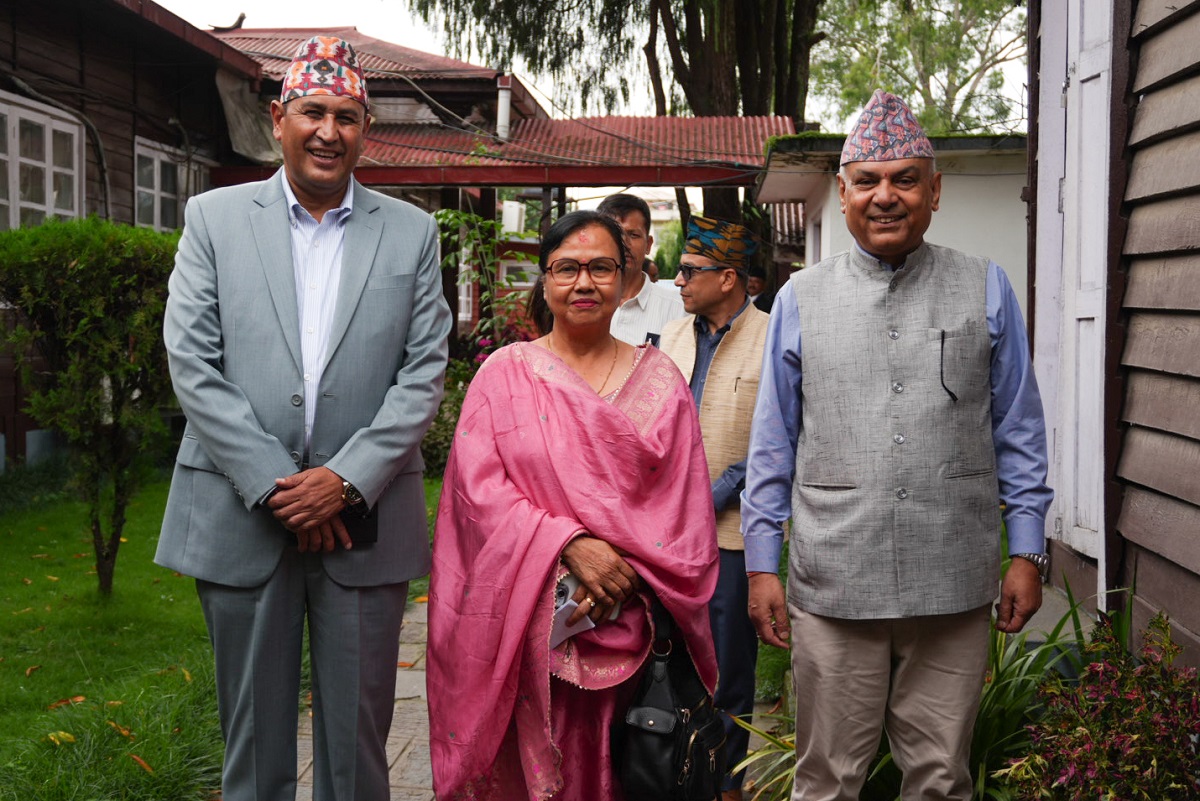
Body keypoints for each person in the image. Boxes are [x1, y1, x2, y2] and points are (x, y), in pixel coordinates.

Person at [156, 35, 452, 801]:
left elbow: (424, 370)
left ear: (365, 130)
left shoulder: (412, 232)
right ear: (278, 119)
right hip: (242, 513)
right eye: (313, 112)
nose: (329, 131)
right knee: (253, 746)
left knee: (357, 751)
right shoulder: (214, 218)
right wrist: (280, 485)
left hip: (365, 520)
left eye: (347, 117)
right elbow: (192, 361)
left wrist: (343, 482)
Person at [741, 89, 1054, 801]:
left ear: (934, 192)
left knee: (941, 777)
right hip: (835, 578)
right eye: (867, 181)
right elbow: (772, 443)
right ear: (843, 193)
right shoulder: (800, 298)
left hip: (953, 579)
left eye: (905, 179)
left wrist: (1027, 550)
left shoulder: (986, 287)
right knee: (827, 780)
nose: (885, 196)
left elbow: (1019, 430)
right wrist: (762, 564)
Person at [428, 210, 720, 801]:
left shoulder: (661, 380)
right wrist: (569, 547)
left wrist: (623, 575)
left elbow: (684, 508)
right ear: (545, 280)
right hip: (524, 623)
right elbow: (477, 496)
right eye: (566, 268)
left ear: (626, 276)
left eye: (600, 268)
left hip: (630, 619)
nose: (583, 283)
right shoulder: (503, 376)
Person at [660, 216, 769, 801]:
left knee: (729, 669)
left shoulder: (773, 336)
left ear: (728, 278)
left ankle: (727, 785)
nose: (678, 281)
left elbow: (778, 440)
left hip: (732, 535)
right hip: (664, 532)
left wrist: (709, 497)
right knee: (667, 659)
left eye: (689, 271)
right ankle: (671, 773)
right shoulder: (671, 337)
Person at [598, 193, 685, 346]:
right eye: (615, 234)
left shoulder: (678, 309)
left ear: (648, 244)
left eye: (633, 235)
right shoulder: (582, 304)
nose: (624, 243)